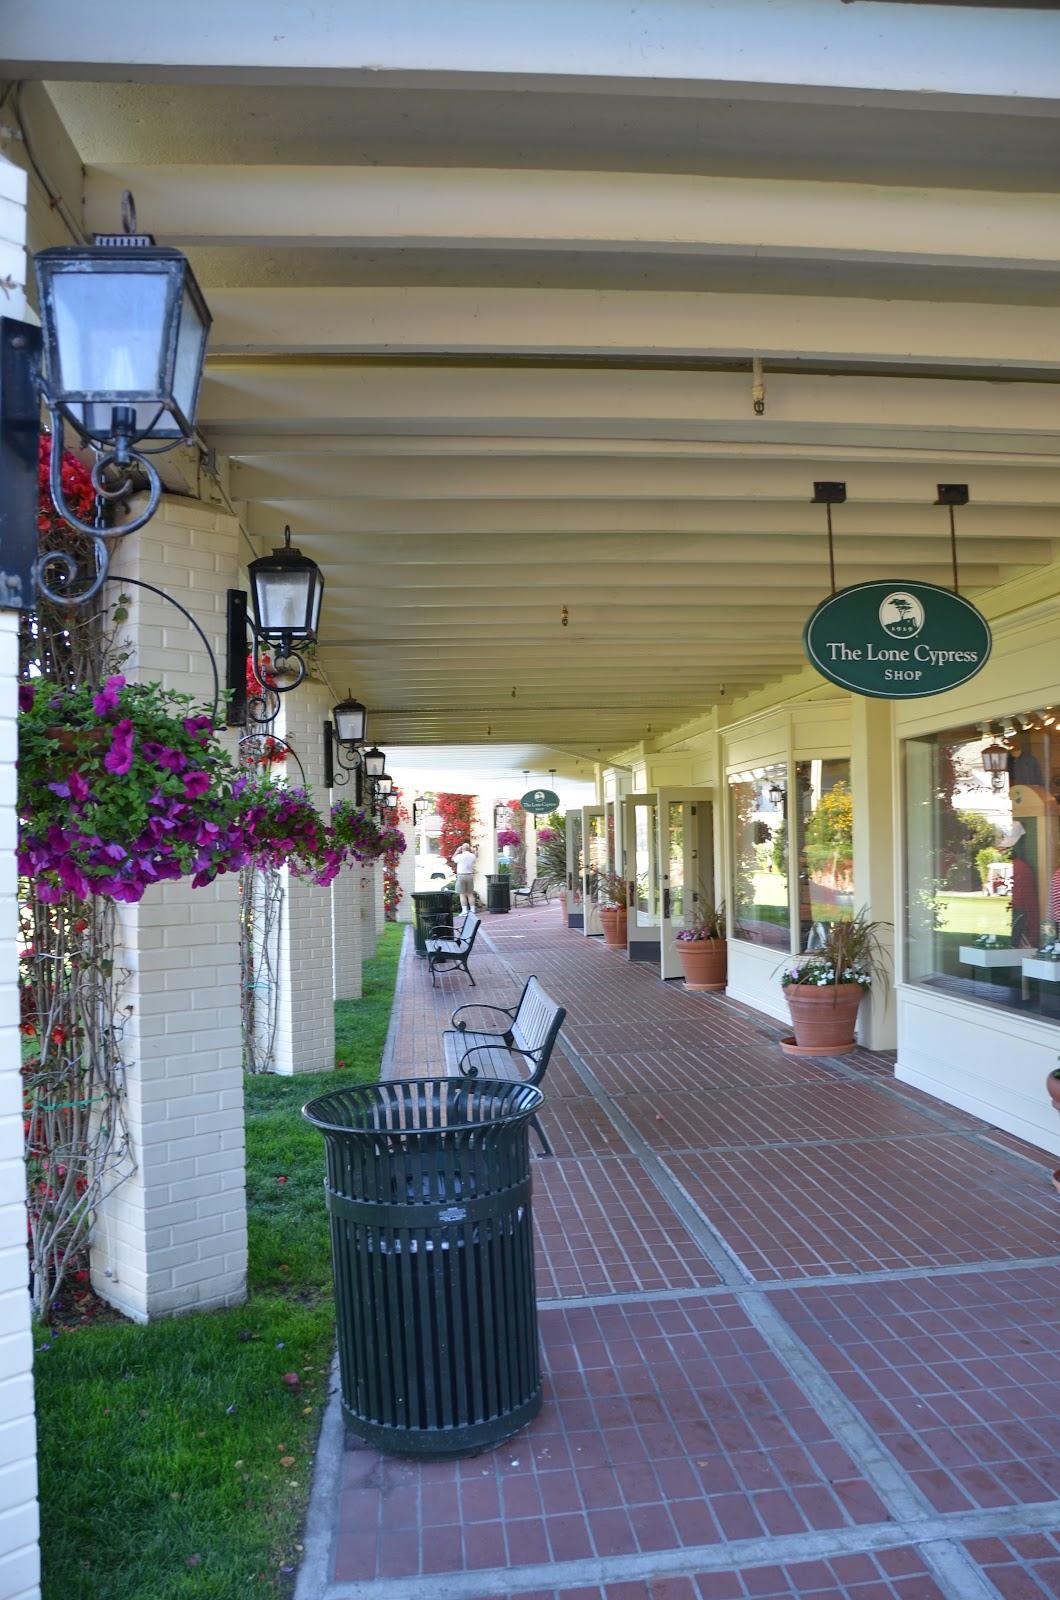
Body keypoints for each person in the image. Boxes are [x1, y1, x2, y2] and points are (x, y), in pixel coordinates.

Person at [452, 841, 477, 914]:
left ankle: (464, 910)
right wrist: (474, 851)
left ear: (462, 849)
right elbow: (475, 856)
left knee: (462, 894)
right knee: (470, 893)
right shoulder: (472, 856)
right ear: (469, 849)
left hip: (461, 875)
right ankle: (472, 909)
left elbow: (453, 859)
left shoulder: (460, 856)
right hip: (470, 875)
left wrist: (457, 851)